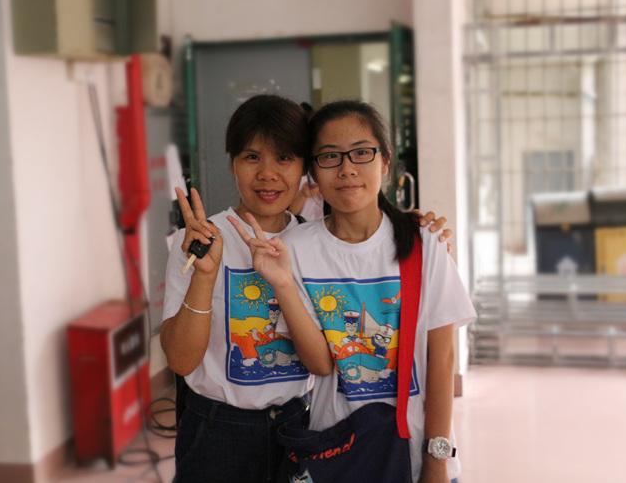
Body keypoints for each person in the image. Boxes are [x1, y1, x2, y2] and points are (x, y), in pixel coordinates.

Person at [161, 94, 452, 483]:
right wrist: (204, 275)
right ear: (233, 164)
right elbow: (181, 362)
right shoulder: (199, 240)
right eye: (251, 157)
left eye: (284, 158)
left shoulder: (312, 242)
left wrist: (416, 230)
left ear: (304, 169)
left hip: (298, 424)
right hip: (218, 430)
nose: (268, 173)